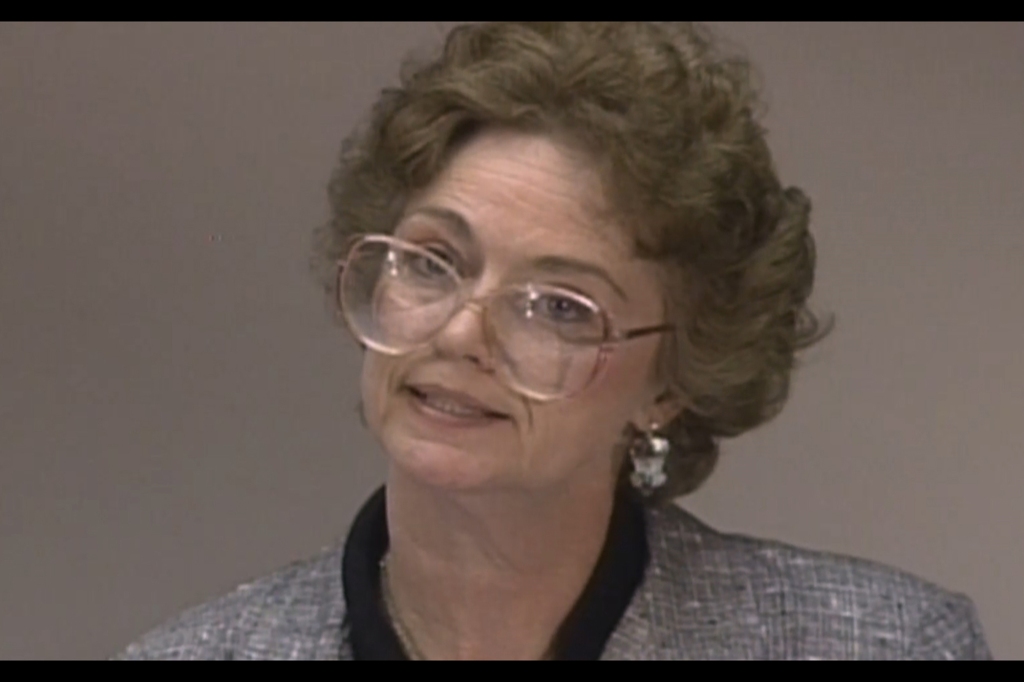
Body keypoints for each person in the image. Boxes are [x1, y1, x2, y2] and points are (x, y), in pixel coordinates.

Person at [114, 22, 991, 660]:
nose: (462, 331)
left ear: (671, 382)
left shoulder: (884, 644)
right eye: (431, 261)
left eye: (560, 306)